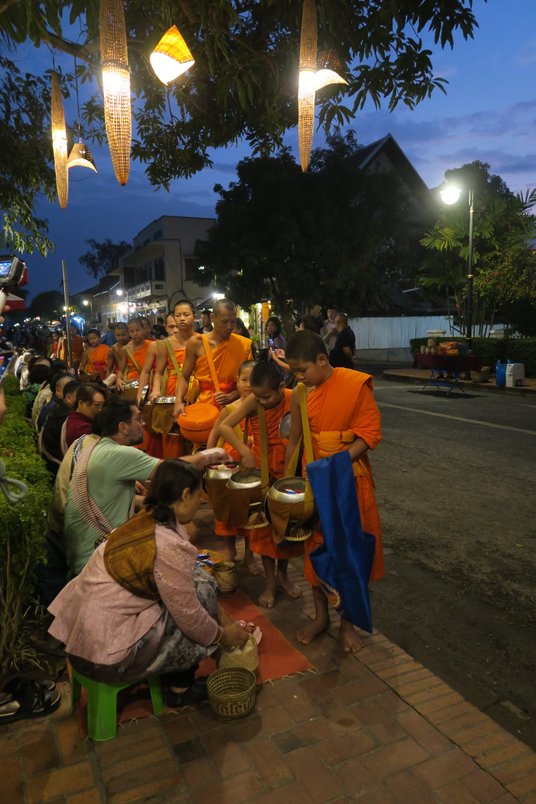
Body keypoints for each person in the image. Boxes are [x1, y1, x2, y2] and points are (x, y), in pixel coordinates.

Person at [48, 460, 248, 705]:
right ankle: (179, 690)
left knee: (197, 586)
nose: (200, 502)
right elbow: (190, 616)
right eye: (199, 495)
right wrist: (222, 635)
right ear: (185, 495)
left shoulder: (143, 520)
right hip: (105, 657)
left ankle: (173, 679)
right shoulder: (166, 544)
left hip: (82, 642)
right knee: (201, 596)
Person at [284, 330, 384, 653]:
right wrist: (286, 482)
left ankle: (348, 623)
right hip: (314, 480)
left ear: (322, 361)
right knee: (316, 550)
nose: (298, 377)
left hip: (348, 480)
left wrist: (337, 463)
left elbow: (369, 435)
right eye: (294, 372)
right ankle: (321, 616)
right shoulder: (301, 392)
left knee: (349, 552)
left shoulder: (354, 385)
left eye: (302, 370)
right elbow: (296, 441)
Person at [63, 397, 224, 576]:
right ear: (123, 427)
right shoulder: (118, 453)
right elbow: (169, 470)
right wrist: (211, 454)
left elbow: (107, 497)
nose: (144, 423)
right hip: (96, 560)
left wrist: (144, 500)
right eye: (139, 419)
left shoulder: (95, 446)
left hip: (83, 550)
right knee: (186, 535)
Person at [218, 361, 303, 608]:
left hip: (288, 469)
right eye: (258, 396)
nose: (263, 401)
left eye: (267, 396)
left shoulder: (293, 397)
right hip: (262, 472)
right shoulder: (254, 401)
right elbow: (225, 425)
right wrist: (245, 450)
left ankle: (283, 575)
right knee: (264, 531)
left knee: (285, 528)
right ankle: (269, 583)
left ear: (280, 386)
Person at [206, 360, 259, 574]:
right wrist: (208, 457)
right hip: (228, 464)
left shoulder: (261, 408)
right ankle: (229, 549)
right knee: (225, 508)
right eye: (244, 380)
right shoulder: (229, 408)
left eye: (253, 381)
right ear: (236, 381)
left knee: (250, 509)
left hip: (250, 463)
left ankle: (249, 554)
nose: (248, 385)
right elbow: (215, 433)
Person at [173, 299, 253, 420]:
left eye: (233, 321)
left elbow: (250, 382)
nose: (229, 326)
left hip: (235, 406)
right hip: (204, 406)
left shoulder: (243, 344)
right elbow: (184, 377)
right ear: (212, 317)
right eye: (225, 321)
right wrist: (178, 401)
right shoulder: (196, 343)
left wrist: (231, 396)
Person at [149, 302, 198, 458]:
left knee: (197, 433)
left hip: (197, 390)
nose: (182, 319)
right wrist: (156, 389)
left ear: (194, 316)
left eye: (186, 314)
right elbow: (159, 372)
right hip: (173, 391)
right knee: (173, 438)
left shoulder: (202, 340)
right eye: (178, 315)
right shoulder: (165, 344)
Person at [40, 380, 81, 475]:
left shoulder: (57, 409)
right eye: (81, 398)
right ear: (68, 398)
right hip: (57, 470)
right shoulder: (66, 418)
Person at [64, 384, 106, 449]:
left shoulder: (73, 416)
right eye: (97, 405)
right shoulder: (83, 429)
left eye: (102, 405)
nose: (100, 410)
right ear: (81, 403)